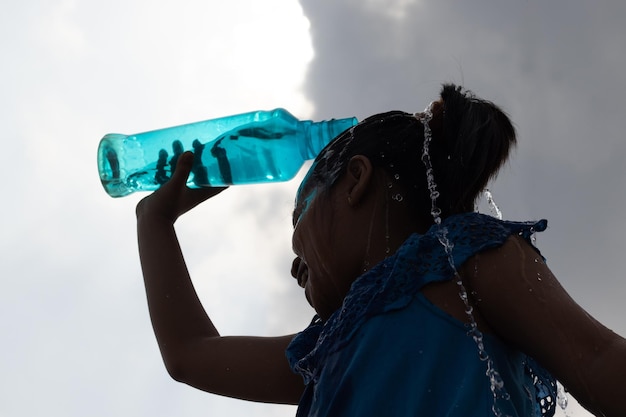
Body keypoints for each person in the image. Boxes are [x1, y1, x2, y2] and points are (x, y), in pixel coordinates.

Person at [135, 84, 626, 416]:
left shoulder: (465, 255)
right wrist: (154, 221)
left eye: (297, 223)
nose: (293, 265)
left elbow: (600, 360)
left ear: (355, 182)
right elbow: (189, 355)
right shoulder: (320, 351)